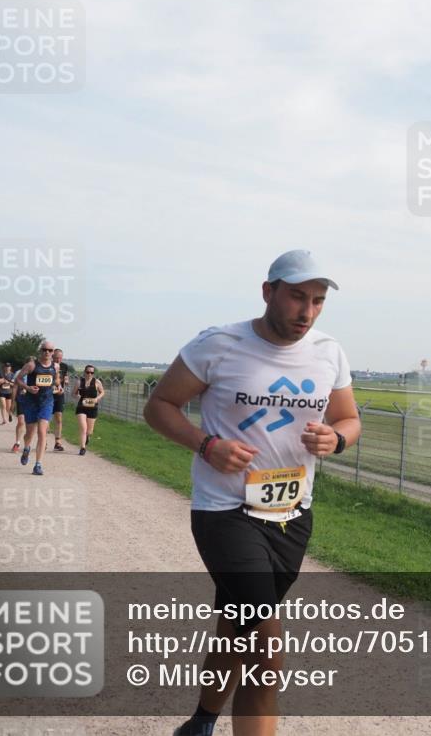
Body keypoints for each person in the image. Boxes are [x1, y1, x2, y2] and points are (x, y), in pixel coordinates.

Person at [144, 250, 359, 736]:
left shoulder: (329, 351)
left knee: (237, 627)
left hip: (291, 515)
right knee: (267, 648)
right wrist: (206, 444)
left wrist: (337, 438)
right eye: (297, 297)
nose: (306, 312)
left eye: (318, 301)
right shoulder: (218, 344)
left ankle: (200, 723)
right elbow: (160, 405)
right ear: (269, 292)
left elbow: (349, 418)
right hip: (226, 513)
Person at [14, 343, 59, 475]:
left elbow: (56, 379)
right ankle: (27, 448)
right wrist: (28, 388)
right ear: (41, 351)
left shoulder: (55, 366)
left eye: (49, 350)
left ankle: (38, 464)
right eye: (44, 350)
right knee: (29, 433)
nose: (47, 352)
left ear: (53, 352)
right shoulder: (32, 365)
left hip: (47, 402)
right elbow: (18, 379)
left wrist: (58, 386)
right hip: (31, 402)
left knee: (42, 432)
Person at [74, 365, 105, 455]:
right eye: (88, 372)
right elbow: (73, 393)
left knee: (89, 431)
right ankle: (82, 448)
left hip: (92, 408)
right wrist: (78, 397)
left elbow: (102, 392)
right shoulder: (79, 382)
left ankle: (87, 436)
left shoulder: (97, 382)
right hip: (81, 407)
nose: (89, 374)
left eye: (92, 372)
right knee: (83, 428)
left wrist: (97, 399)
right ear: (84, 372)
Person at [51, 348, 70, 451]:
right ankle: (43, 441)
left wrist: (66, 381)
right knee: (46, 419)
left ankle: (57, 442)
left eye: (60, 358)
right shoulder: (48, 365)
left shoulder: (64, 366)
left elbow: (65, 377)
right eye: (56, 358)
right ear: (52, 357)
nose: (58, 360)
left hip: (59, 394)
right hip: (48, 395)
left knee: (59, 418)